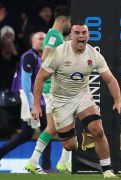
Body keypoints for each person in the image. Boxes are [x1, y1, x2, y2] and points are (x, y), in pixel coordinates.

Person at [32, 22, 121, 178]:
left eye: (84, 33)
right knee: (69, 146)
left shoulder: (93, 54)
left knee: (98, 130)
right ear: (71, 36)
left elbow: (110, 79)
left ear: (88, 35)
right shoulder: (59, 53)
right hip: (60, 100)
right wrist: (36, 105)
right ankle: (70, 131)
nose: (81, 36)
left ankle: (107, 170)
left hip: (82, 96)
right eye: (78, 33)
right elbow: (40, 78)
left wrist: (118, 101)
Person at [24, 5, 72, 174]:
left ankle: (38, 161)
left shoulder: (57, 36)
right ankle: (62, 161)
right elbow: (46, 56)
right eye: (69, 23)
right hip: (53, 88)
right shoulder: (53, 35)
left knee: (54, 126)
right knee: (63, 123)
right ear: (64, 20)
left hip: (54, 88)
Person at [0, 32, 52, 171]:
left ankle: (46, 165)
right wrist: (32, 105)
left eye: (45, 38)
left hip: (36, 99)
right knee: (46, 130)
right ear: (32, 41)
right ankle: (46, 166)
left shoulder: (39, 57)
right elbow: (25, 81)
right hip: (28, 98)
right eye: (40, 38)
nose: (43, 40)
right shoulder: (30, 56)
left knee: (29, 133)